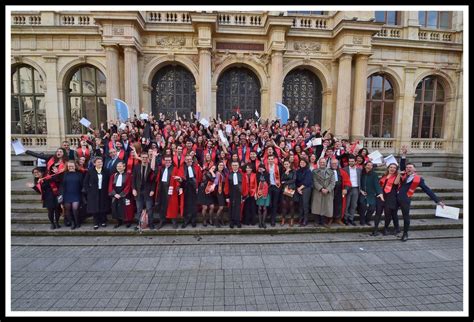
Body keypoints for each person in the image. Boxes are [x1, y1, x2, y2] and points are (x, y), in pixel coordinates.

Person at [397, 146, 445, 241]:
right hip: (395, 197)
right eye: (407, 167)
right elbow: (402, 165)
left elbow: (427, 190)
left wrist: (437, 201)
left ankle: (405, 233)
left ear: (415, 169)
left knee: (405, 216)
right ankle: (395, 229)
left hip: (405, 199)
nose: (408, 169)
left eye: (410, 167)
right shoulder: (403, 174)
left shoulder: (418, 180)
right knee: (392, 213)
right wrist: (403, 155)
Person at [373, 163, 402, 236]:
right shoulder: (384, 175)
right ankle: (375, 229)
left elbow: (395, 183)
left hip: (390, 197)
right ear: (388, 168)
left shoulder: (397, 177)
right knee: (378, 213)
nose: (392, 169)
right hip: (381, 196)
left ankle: (385, 228)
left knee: (388, 214)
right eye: (391, 167)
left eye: (394, 168)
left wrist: (399, 174)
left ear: (396, 170)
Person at [154, 154, 183, 229]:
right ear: (164, 161)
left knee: (172, 206)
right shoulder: (161, 168)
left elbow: (178, 179)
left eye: (169, 160)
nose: (167, 162)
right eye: (166, 160)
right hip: (161, 189)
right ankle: (162, 220)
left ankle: (174, 220)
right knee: (162, 206)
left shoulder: (175, 168)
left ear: (171, 161)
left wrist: (178, 185)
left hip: (171, 190)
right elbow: (157, 178)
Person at [82, 157, 111, 230]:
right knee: (95, 207)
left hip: (103, 192)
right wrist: (89, 191)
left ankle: (103, 221)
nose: (100, 163)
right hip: (93, 192)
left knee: (103, 206)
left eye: (101, 162)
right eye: (98, 162)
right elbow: (85, 183)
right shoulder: (90, 171)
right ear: (94, 163)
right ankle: (96, 222)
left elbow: (109, 182)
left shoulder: (106, 171)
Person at [132, 152, 157, 229]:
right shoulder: (136, 167)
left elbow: (153, 180)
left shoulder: (151, 167)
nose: (144, 159)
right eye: (143, 157)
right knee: (139, 209)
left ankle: (151, 224)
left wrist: (152, 190)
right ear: (141, 158)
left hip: (148, 191)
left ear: (148, 158)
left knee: (149, 209)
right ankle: (139, 224)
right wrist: (134, 189)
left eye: (146, 157)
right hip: (138, 191)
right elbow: (133, 179)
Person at [311, 158, 335, 228]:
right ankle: (317, 221)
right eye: (321, 162)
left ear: (326, 163)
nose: (322, 163)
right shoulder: (314, 171)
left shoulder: (331, 172)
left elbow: (333, 182)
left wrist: (327, 189)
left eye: (324, 162)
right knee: (317, 207)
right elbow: (314, 181)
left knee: (326, 207)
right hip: (318, 191)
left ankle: (323, 221)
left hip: (327, 192)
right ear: (319, 163)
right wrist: (321, 188)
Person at [359, 161, 384, 226]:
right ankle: (362, 220)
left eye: (371, 165)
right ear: (365, 166)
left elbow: (377, 184)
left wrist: (380, 193)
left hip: (371, 193)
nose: (369, 166)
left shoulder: (374, 174)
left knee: (372, 208)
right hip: (362, 193)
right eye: (368, 165)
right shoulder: (361, 173)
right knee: (362, 207)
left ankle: (367, 220)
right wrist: (360, 190)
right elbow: (358, 183)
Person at [60, 160, 84, 229]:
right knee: (67, 209)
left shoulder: (79, 174)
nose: (71, 167)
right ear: (67, 167)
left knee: (75, 208)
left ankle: (77, 222)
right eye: (69, 166)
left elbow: (82, 184)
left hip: (76, 194)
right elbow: (61, 185)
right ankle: (72, 222)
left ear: (75, 166)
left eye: (72, 166)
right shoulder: (64, 174)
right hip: (67, 194)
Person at [181, 154, 202, 228]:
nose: (189, 160)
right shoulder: (182, 167)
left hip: (194, 188)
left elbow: (199, 178)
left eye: (190, 159)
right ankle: (186, 220)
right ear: (185, 160)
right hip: (186, 188)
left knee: (194, 205)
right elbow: (181, 178)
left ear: (192, 160)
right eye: (187, 159)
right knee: (186, 205)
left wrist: (197, 188)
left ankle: (193, 220)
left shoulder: (196, 167)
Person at [109, 161, 132, 228]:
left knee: (127, 208)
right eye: (117, 166)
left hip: (125, 194)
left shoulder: (128, 175)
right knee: (116, 208)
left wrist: (121, 194)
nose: (118, 167)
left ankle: (128, 221)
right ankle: (119, 221)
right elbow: (110, 186)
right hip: (115, 194)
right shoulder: (113, 176)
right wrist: (114, 194)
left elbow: (128, 185)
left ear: (124, 167)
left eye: (120, 166)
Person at [224, 161, 246, 229]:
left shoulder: (242, 174)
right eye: (233, 165)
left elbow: (245, 185)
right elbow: (226, 185)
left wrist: (244, 195)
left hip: (239, 194)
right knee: (231, 207)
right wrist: (227, 196)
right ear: (231, 166)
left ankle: (238, 221)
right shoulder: (229, 175)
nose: (235, 166)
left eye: (236, 165)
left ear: (238, 166)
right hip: (231, 193)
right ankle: (232, 221)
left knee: (239, 208)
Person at [329, 158, 351, 226]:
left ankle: (338, 219)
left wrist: (346, 189)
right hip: (330, 191)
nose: (334, 165)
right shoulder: (327, 171)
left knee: (339, 206)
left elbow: (348, 182)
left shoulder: (342, 171)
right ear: (330, 164)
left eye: (335, 163)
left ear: (338, 164)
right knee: (330, 205)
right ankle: (329, 218)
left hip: (339, 191)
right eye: (333, 163)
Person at [342, 155, 362, 226]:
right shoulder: (345, 169)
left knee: (353, 205)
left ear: (355, 161)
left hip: (356, 188)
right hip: (347, 188)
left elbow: (361, 179)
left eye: (352, 161)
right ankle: (345, 218)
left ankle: (351, 218)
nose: (351, 162)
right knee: (346, 205)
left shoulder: (359, 169)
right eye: (349, 161)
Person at [295, 158, 313, 226]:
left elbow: (307, 181)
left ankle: (306, 219)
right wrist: (298, 188)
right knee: (300, 205)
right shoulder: (298, 171)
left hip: (306, 188)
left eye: (303, 162)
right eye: (301, 162)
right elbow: (296, 180)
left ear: (306, 163)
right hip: (299, 189)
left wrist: (300, 188)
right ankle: (301, 218)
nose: (302, 163)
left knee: (305, 204)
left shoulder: (308, 171)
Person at [266, 155, 282, 227]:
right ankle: (268, 215)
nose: (270, 160)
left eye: (272, 159)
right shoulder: (265, 167)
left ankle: (273, 220)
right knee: (269, 203)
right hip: (268, 187)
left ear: (274, 160)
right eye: (269, 159)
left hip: (276, 186)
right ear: (267, 160)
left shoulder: (278, 167)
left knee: (275, 203)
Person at [280, 159, 297, 226]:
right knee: (284, 205)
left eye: (287, 164)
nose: (286, 165)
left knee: (291, 205)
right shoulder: (283, 171)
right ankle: (283, 219)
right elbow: (281, 180)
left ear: (289, 164)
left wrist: (285, 182)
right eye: (285, 164)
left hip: (291, 189)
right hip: (284, 189)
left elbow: (294, 180)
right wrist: (285, 174)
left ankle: (291, 219)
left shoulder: (293, 171)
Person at [255, 164, 270, 229]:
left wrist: (263, 173)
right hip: (259, 192)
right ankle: (260, 222)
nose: (260, 169)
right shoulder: (257, 175)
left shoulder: (267, 174)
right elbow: (255, 184)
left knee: (264, 208)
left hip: (266, 193)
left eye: (262, 168)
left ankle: (263, 222)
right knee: (259, 208)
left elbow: (269, 182)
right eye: (259, 168)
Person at [213, 161, 227, 227]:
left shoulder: (223, 173)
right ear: (217, 166)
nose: (221, 166)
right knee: (221, 207)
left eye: (222, 165)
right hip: (219, 191)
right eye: (220, 165)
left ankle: (221, 220)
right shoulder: (217, 173)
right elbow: (215, 182)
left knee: (223, 207)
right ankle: (216, 220)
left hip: (224, 191)